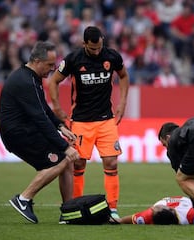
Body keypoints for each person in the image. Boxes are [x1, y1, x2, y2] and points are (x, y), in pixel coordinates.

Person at [48, 26, 129, 219]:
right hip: (81, 121)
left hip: (106, 120)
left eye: (99, 47)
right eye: (92, 48)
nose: (97, 51)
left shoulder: (112, 56)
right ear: (84, 44)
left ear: (102, 41)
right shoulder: (73, 59)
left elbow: (124, 76)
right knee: (77, 164)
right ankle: (76, 208)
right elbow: (53, 81)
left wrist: (122, 103)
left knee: (111, 162)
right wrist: (57, 108)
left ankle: (113, 210)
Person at [0, 41, 80, 224]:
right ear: (36, 60)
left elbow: (43, 108)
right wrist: (65, 147)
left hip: (24, 131)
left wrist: (60, 127)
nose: (52, 69)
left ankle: (68, 212)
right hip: (19, 134)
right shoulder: (26, 82)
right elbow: (40, 118)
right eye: (49, 65)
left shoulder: (30, 77)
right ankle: (24, 198)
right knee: (62, 159)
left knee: (66, 164)